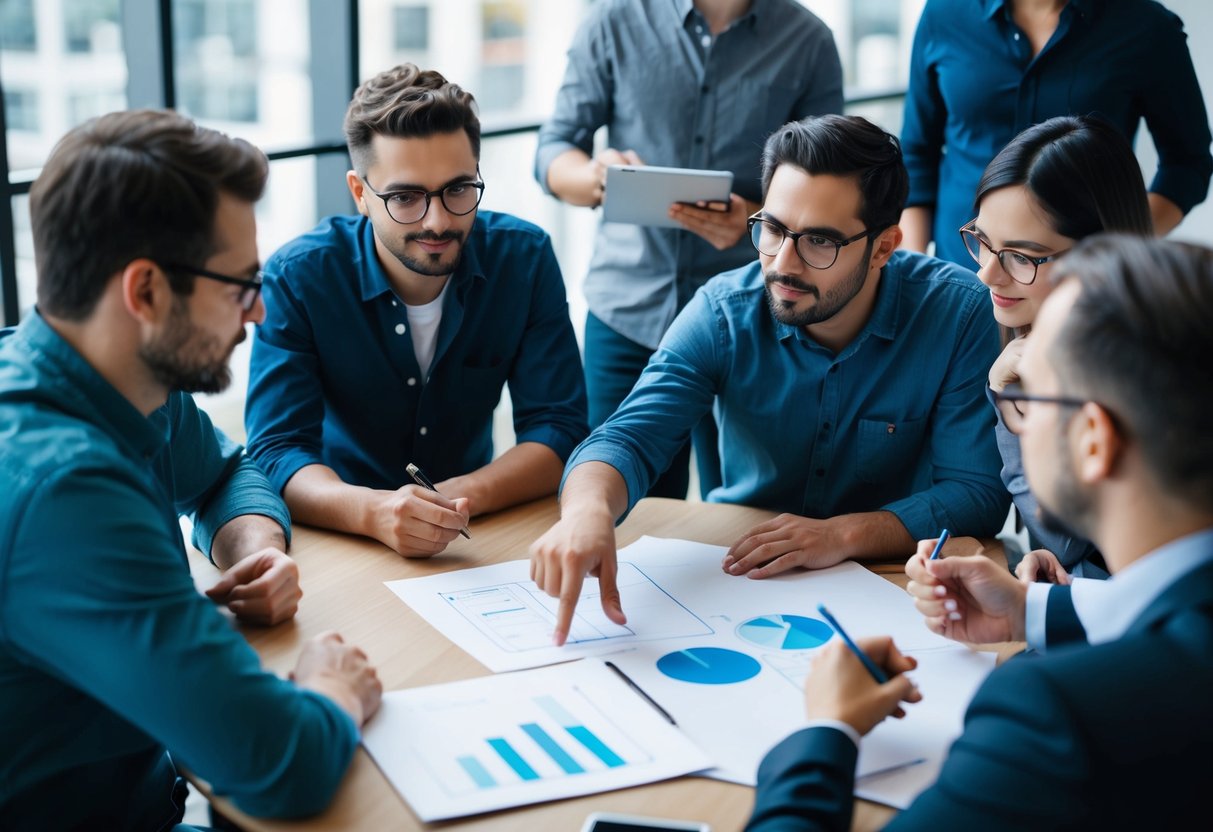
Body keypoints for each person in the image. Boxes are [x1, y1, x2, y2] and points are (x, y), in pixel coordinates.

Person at [747, 234, 1213, 831]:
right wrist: (1031, 610)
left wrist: (824, 732)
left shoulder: (1054, 716)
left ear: (1093, 441)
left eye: (1030, 394)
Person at [0, 109, 382, 829]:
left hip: (158, 781)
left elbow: (223, 475)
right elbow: (283, 763)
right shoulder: (65, 493)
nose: (261, 312)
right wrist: (333, 689)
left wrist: (257, 550)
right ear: (144, 293)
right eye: (240, 286)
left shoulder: (111, 377)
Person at [530, 115, 1008, 646]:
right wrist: (587, 510)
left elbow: (978, 491)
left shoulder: (961, 313)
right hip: (737, 584)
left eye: (819, 242)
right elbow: (626, 437)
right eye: (774, 229)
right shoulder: (721, 312)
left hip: (898, 590)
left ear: (882, 247)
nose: (782, 264)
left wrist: (843, 534)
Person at [246, 64, 588, 558]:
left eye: (458, 189)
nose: (439, 220)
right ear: (361, 194)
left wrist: (456, 499)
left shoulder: (524, 258)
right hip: (340, 536)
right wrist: (373, 512)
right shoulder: (300, 277)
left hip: (475, 532)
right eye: (405, 197)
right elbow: (277, 450)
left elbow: (559, 430)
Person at [535, 0, 844, 499]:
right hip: (627, 311)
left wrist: (755, 219)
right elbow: (552, 151)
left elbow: (828, 178)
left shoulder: (807, 39)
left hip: (749, 318)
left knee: (747, 505)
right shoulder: (613, 20)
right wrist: (595, 178)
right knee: (617, 492)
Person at [966, 115, 1153, 581]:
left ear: (1101, 253)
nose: (987, 273)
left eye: (1022, 256)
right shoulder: (1031, 328)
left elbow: (1065, 537)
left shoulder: (1142, 365)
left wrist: (1004, 397)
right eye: (983, 242)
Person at [900, 0, 1212, 266]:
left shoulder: (1146, 26)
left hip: (1083, 282)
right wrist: (918, 272)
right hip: (962, 268)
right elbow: (917, 153)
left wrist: (1119, 249)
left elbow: (1187, 163)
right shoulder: (944, 14)